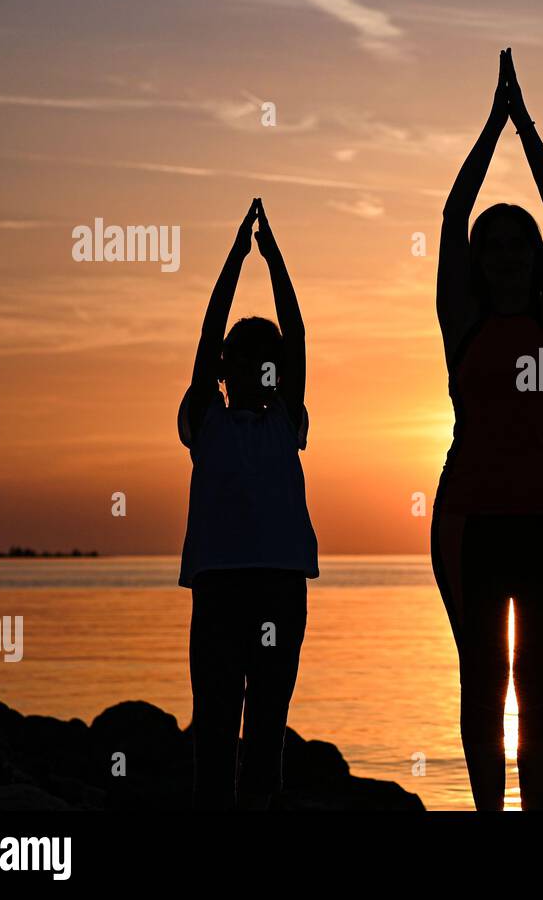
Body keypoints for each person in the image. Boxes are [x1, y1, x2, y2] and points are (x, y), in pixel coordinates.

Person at [432, 49, 543, 811]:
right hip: (469, 522)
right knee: (480, 677)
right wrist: (489, 128)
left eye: (515, 244)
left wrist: (527, 128)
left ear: (534, 259)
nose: (503, 256)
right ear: (477, 261)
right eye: (491, 246)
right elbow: (450, 216)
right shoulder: (461, 326)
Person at [177, 198, 318, 809]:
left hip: (280, 591)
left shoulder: (288, 419)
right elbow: (209, 338)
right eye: (245, 361)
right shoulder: (205, 419)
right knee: (214, 733)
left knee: (265, 733)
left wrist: (275, 259)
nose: (259, 370)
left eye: (270, 364)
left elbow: (298, 332)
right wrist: (236, 259)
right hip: (220, 591)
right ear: (227, 371)